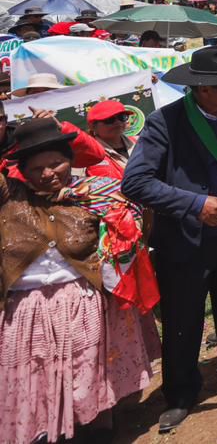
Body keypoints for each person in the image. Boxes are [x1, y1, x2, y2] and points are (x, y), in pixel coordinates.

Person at [122, 46, 217, 432]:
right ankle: (181, 393)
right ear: (204, 89)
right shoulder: (164, 123)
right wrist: (195, 203)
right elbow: (135, 182)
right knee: (183, 319)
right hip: (186, 241)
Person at [0, 119, 159, 444]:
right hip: (26, 310)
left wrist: (62, 125)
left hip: (82, 302)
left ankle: (93, 427)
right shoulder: (9, 197)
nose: (47, 174)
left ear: (70, 160)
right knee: (35, 375)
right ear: (22, 171)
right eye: (36, 167)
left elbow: (97, 155)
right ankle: (44, 429)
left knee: (86, 371)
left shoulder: (97, 194)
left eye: (56, 163)